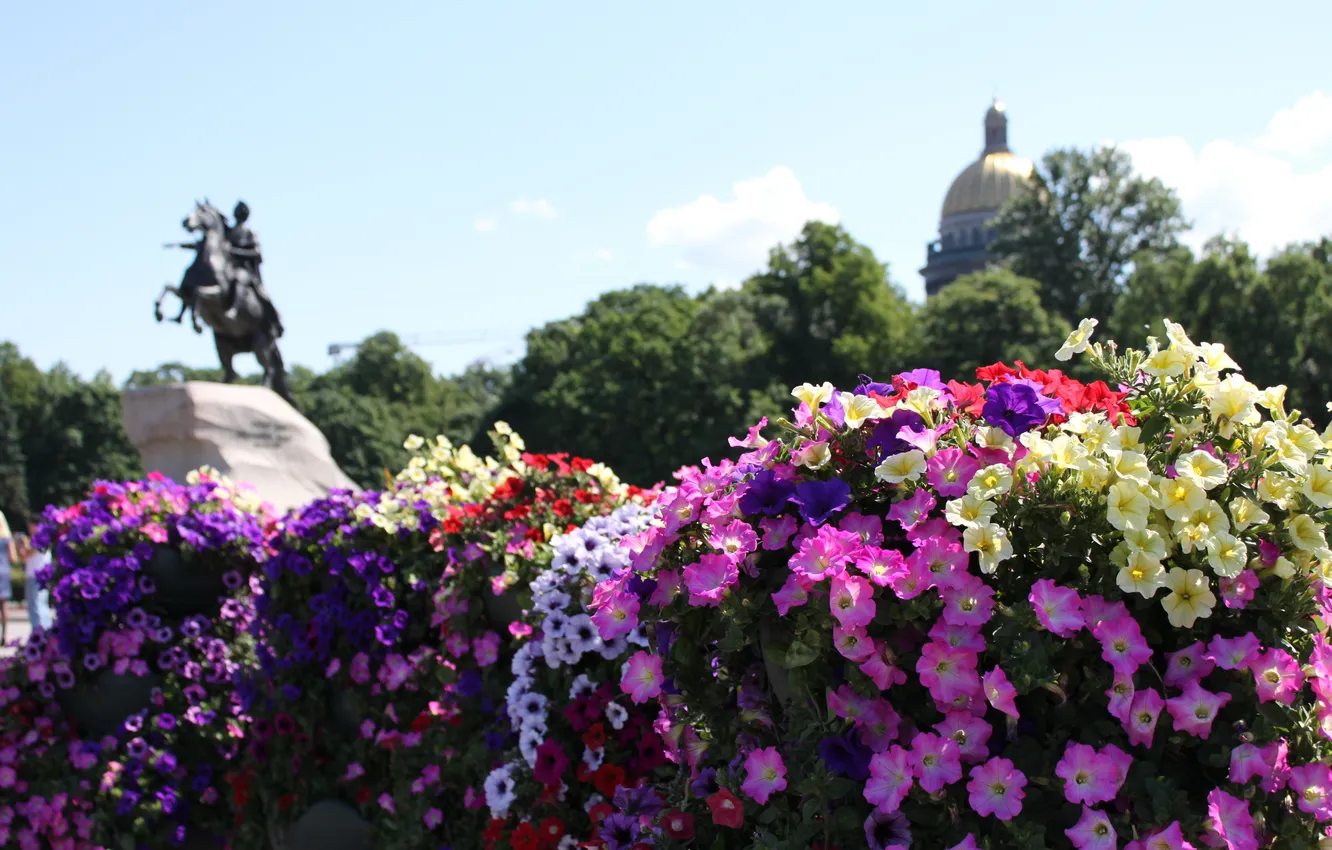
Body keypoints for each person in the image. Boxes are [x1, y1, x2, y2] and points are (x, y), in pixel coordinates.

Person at [223, 201, 284, 337]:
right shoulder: (229, 232)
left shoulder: (250, 233)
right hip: (228, 270)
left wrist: (234, 251)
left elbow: (257, 254)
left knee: (263, 296)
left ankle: (277, 322)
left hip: (246, 271)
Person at [19, 524, 52, 631]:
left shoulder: (38, 539)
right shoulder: (46, 538)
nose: (29, 528)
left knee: (35, 606)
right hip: (44, 575)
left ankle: (38, 632)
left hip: (34, 576)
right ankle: (47, 630)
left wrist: (22, 544)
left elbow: (25, 554)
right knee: (42, 604)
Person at [0, 511, 13, 643]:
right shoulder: (6, 537)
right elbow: (12, 557)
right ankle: (5, 635)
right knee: (3, 605)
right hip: (4, 571)